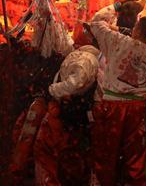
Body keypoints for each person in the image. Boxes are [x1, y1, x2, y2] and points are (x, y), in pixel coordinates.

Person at [86, 15, 146, 186]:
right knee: (135, 156)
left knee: (106, 153)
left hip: (113, 105)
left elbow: (97, 21)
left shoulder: (118, 41)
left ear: (136, 29)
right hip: (138, 108)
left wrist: (116, 13)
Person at [34, 30, 99, 185]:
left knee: (54, 156)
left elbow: (74, 83)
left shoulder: (85, 58)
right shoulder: (88, 58)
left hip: (66, 114)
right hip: (71, 114)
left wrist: (52, 90)